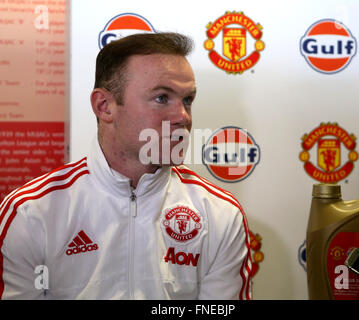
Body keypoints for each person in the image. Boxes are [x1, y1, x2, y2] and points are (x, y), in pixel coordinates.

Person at [0, 32, 253, 299]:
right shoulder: (31, 213)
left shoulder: (221, 214)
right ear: (105, 106)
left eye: (187, 100)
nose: (182, 116)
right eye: (162, 98)